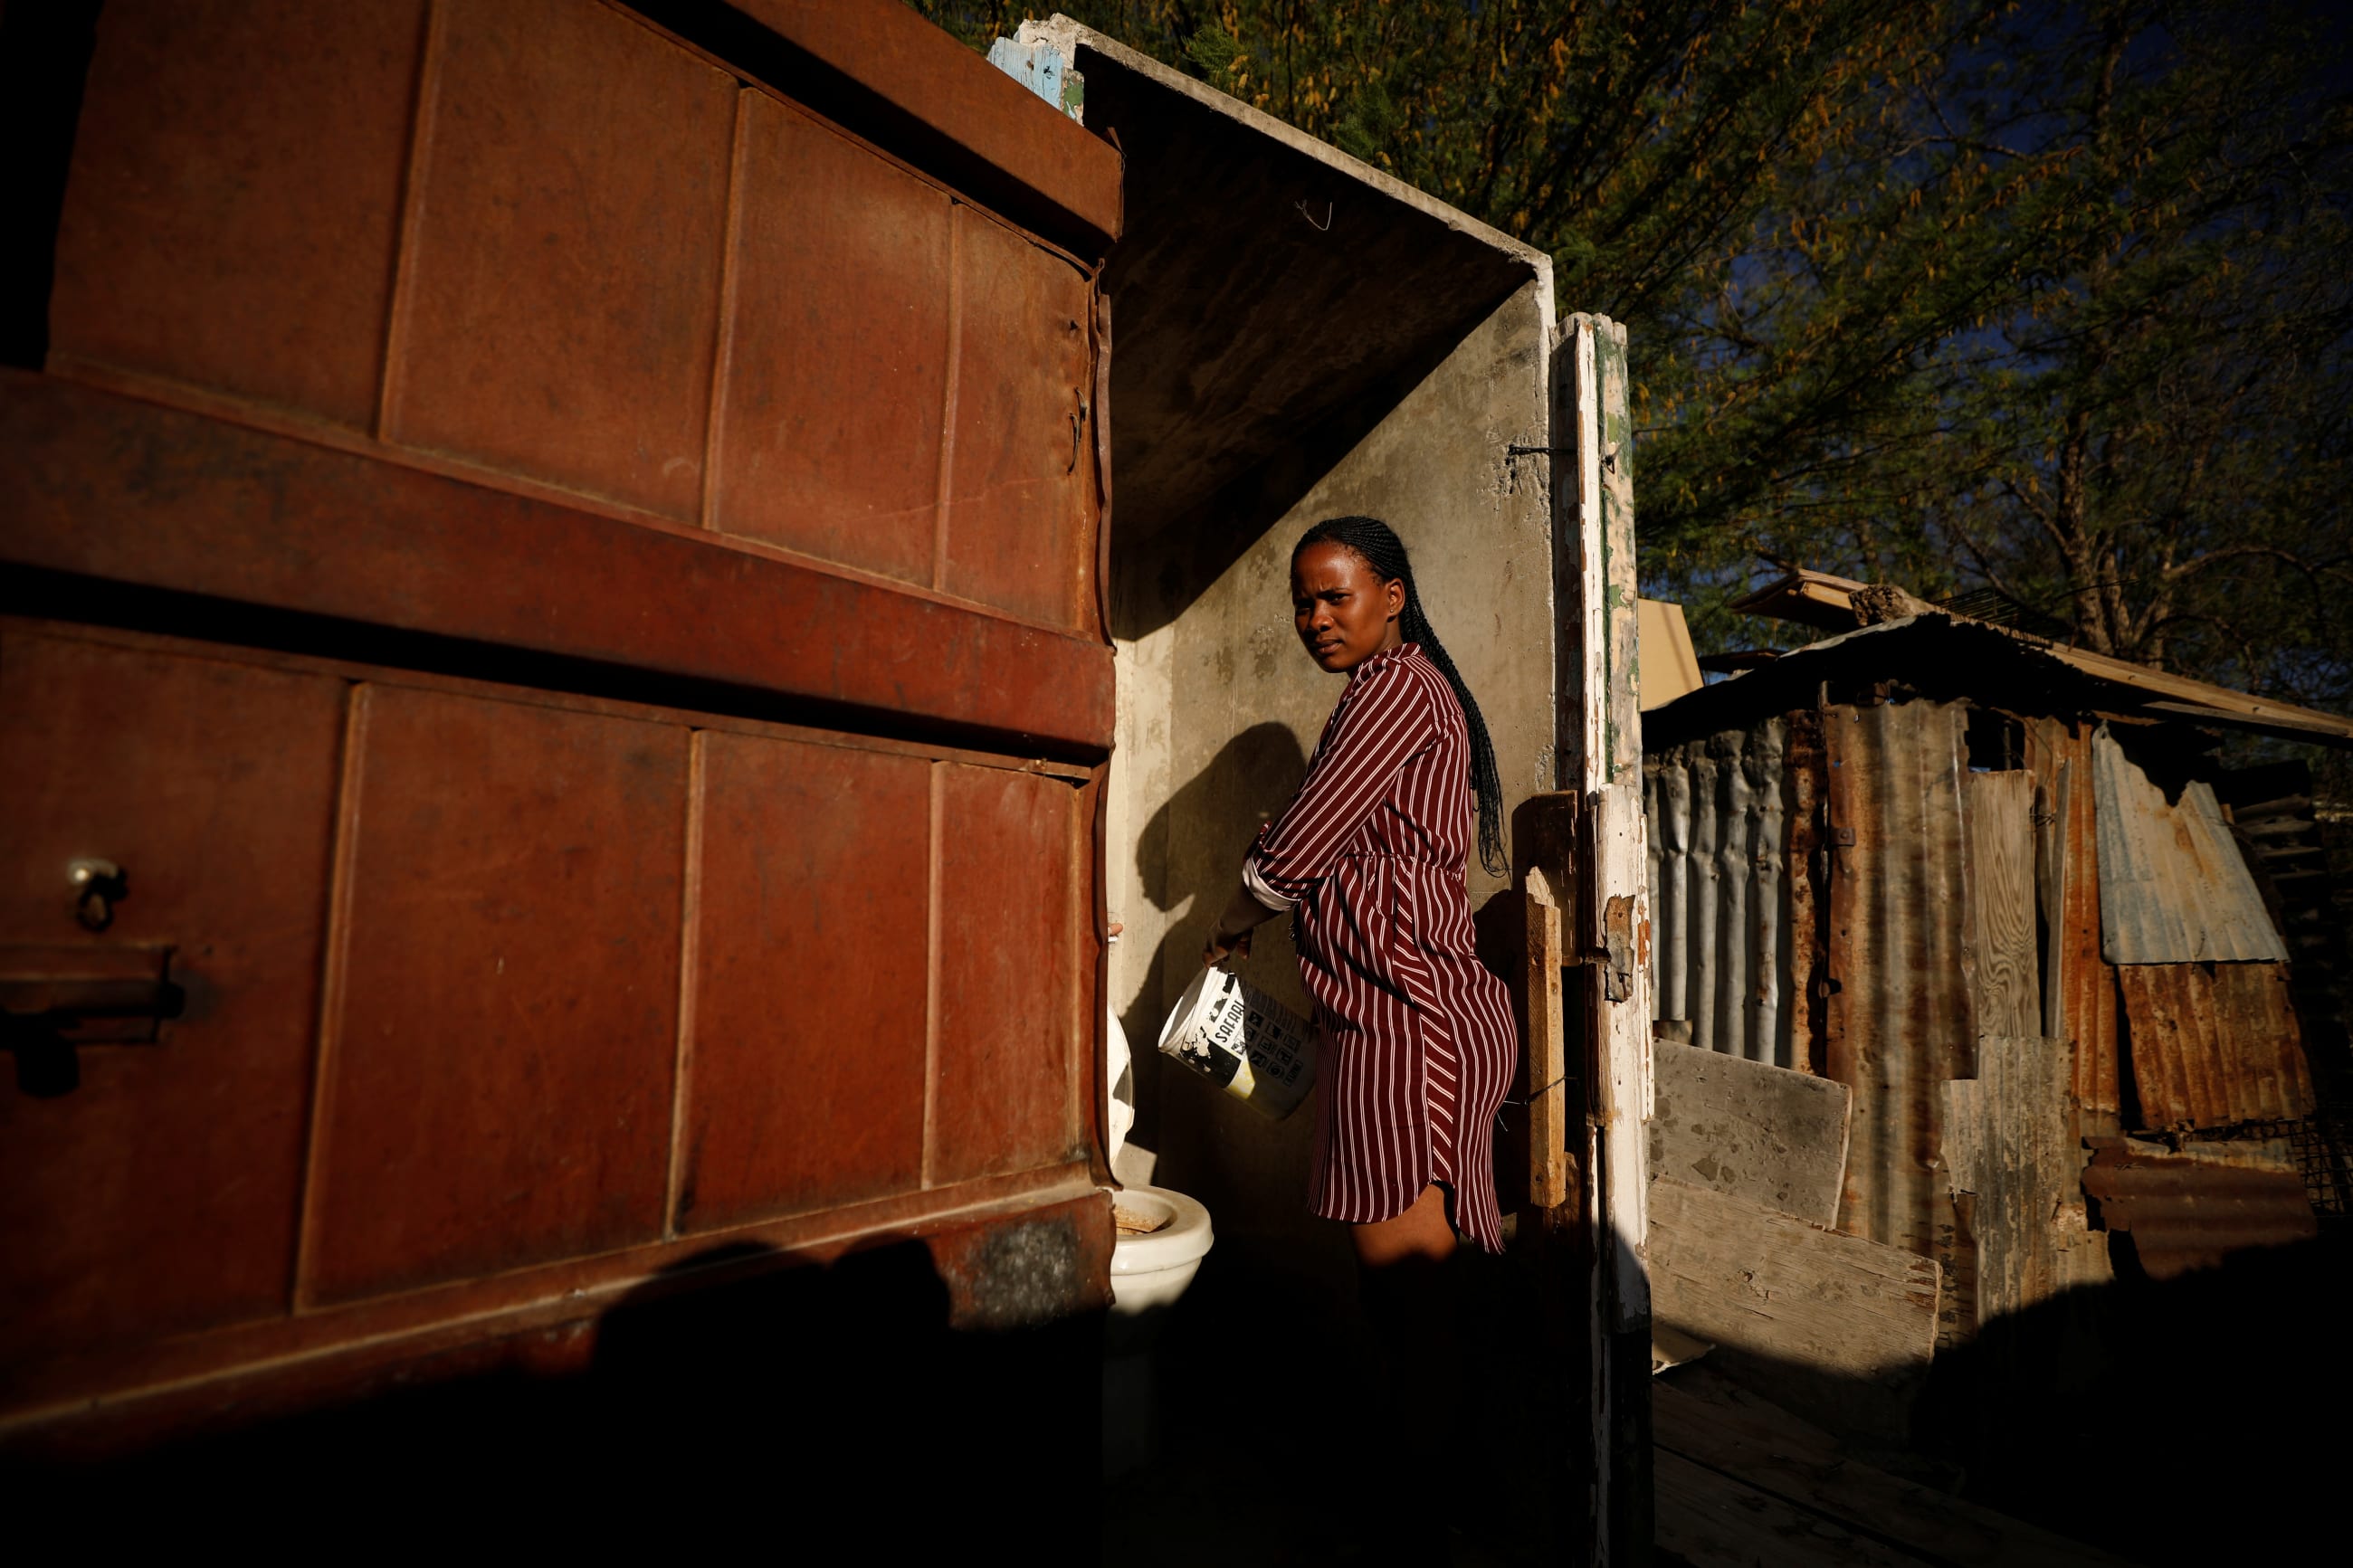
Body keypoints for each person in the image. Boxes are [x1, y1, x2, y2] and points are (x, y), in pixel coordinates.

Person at [1202, 515, 1516, 1556]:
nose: (1315, 617)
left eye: (1336, 595)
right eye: (1303, 600)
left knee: (1410, 1295)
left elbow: (1296, 845)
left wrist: (1241, 912)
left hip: (1405, 1023)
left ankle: (1429, 1509)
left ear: (1391, 592)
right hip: (1396, 1014)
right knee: (1420, 1290)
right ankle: (1448, 1484)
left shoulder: (1389, 692)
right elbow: (1341, 841)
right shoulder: (1403, 692)